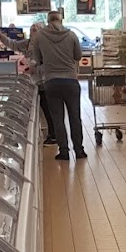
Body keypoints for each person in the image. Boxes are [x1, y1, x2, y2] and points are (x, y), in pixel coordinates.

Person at [29, 9, 86, 161]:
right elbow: (78, 56)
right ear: (60, 20)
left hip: (51, 82)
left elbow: (37, 60)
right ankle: (79, 150)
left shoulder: (40, 37)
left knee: (57, 118)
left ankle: (64, 151)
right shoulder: (71, 35)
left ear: (48, 21)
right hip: (71, 82)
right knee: (75, 116)